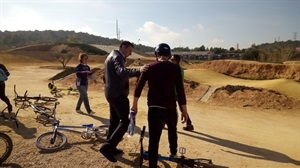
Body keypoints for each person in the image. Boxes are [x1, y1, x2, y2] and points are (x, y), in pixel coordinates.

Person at [131, 43, 189, 168]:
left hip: (154, 108)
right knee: (172, 131)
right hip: (170, 108)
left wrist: (134, 105)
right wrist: (185, 111)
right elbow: (180, 91)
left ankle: (152, 165)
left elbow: (138, 87)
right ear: (169, 55)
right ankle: (173, 153)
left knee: (154, 139)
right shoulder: (176, 69)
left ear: (156, 54)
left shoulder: (148, 67)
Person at [99, 41, 148, 162]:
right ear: (123, 47)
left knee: (114, 121)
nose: (130, 53)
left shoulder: (111, 56)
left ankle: (111, 146)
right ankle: (107, 147)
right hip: (118, 94)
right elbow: (121, 72)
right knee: (125, 122)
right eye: (129, 50)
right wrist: (139, 70)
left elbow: (108, 76)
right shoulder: (117, 56)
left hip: (111, 93)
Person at [170, 54, 194, 131]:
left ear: (177, 61)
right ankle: (189, 124)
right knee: (182, 109)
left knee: (169, 108)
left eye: (173, 60)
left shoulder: (176, 69)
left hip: (174, 91)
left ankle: (163, 123)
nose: (171, 61)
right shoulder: (179, 68)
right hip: (178, 91)